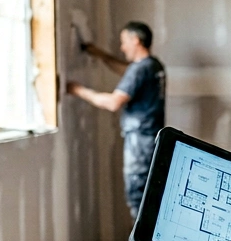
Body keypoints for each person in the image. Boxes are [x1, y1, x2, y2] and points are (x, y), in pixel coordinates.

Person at [66, 21, 166, 218]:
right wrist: (100, 55)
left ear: (135, 40)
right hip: (152, 138)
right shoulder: (153, 65)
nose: (122, 47)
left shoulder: (140, 70)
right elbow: (126, 71)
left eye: (124, 42)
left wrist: (77, 90)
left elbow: (113, 103)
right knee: (149, 192)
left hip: (140, 141)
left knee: (138, 194)